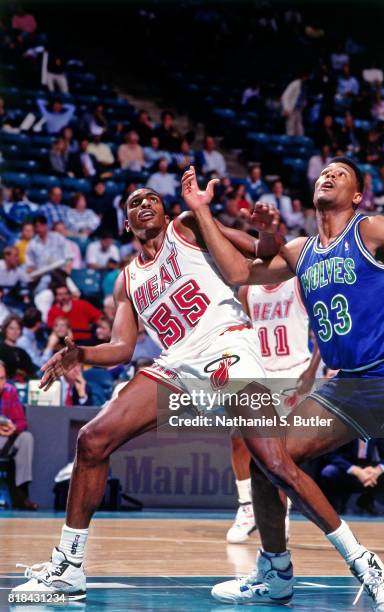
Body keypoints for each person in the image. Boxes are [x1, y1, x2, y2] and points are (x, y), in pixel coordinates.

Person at [12, 183, 279, 600]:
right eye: (134, 203)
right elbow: (121, 349)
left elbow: (259, 251)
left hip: (225, 346)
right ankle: (68, 567)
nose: (144, 204)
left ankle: (288, 563)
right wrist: (80, 352)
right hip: (178, 367)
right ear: (126, 222)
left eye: (151, 198)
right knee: (93, 439)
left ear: (165, 209)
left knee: (274, 460)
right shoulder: (127, 281)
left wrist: (264, 230)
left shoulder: (189, 227)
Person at [181, 162, 384, 610]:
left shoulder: (374, 230)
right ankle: (275, 571)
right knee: (269, 456)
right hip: (348, 387)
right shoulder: (301, 251)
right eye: (324, 172)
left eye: (340, 174)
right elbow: (240, 274)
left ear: (358, 195)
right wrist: (202, 212)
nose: (328, 176)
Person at [227, 275, 320, 544]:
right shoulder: (248, 288)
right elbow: (242, 331)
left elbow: (324, 329)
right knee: (237, 438)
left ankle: (282, 512)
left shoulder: (298, 283)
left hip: (295, 372)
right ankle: (247, 507)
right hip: (260, 372)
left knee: (279, 449)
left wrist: (313, 371)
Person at [320, 438, 384, 515]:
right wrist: (356, 471)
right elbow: (331, 455)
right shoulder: (343, 426)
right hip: (345, 466)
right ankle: (336, 504)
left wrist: (377, 471)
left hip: (368, 468)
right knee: (329, 472)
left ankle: (368, 501)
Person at [0, 361, 37, 510]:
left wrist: (14, 428)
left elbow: (22, 421)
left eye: (2, 378)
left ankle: (21, 494)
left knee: (26, 438)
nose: (0, 383)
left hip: (5, 438)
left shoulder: (10, 391)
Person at [0, 315, 38, 381]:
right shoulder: (1, 349)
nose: (15, 331)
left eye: (18, 328)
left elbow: (32, 374)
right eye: (11, 328)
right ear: (5, 329)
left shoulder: (23, 353)